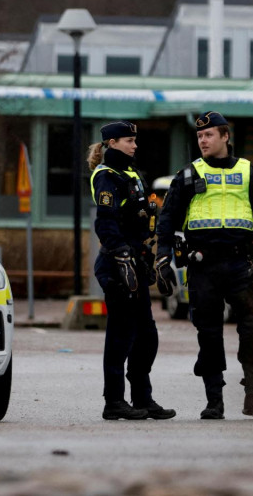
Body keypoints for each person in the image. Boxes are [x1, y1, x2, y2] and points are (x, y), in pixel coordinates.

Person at [155, 111, 253, 420]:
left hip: (241, 265)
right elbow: (167, 218)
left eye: (209, 135)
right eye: (199, 136)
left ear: (225, 137)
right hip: (203, 265)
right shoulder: (188, 174)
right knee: (208, 333)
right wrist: (163, 257)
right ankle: (215, 401)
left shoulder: (250, 172)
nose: (203, 141)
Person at [88, 120, 176, 421]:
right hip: (116, 265)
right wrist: (122, 257)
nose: (134, 145)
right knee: (121, 336)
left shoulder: (132, 175)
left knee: (146, 337)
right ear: (111, 143)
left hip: (135, 262)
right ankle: (114, 401)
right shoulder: (106, 176)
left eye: (134, 140)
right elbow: (106, 222)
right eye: (128, 140)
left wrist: (146, 261)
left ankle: (142, 399)